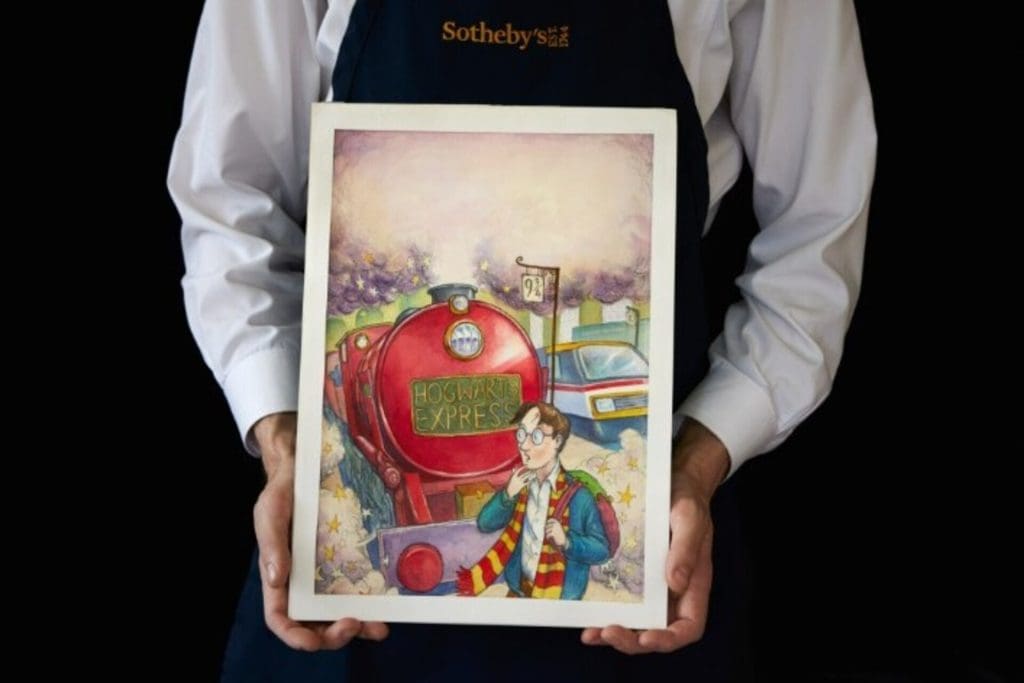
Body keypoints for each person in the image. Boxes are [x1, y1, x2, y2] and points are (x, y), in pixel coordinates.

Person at [168, 1, 875, 679]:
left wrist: (699, 460)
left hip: (656, 574)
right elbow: (230, 203)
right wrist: (288, 449)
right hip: (351, 624)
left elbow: (818, 234)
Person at [459, 402, 611, 600]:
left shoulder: (579, 497)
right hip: (519, 591)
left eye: (536, 437)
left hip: (560, 600)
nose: (524, 445)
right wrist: (508, 495)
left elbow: (602, 551)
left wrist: (567, 542)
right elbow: (485, 523)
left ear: (557, 441)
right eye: (521, 434)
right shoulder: (520, 485)